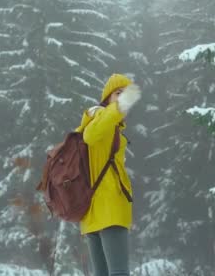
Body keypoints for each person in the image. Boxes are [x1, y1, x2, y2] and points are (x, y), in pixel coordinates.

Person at [75, 73, 141, 276]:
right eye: (118, 94)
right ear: (107, 98)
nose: (123, 100)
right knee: (119, 272)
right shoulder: (101, 121)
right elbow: (90, 136)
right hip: (109, 206)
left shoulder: (101, 122)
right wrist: (117, 109)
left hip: (93, 210)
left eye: (126, 96)